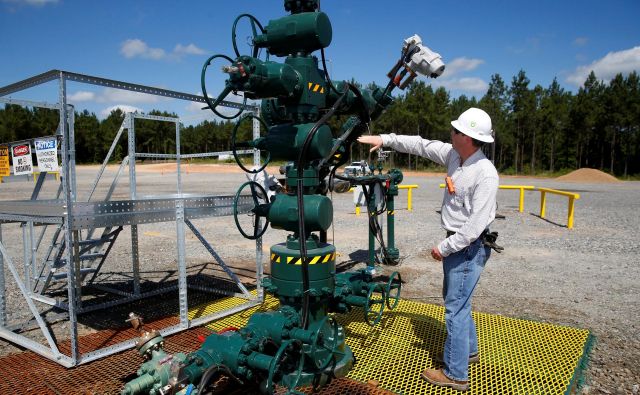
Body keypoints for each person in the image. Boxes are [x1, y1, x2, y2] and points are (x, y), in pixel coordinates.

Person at [357, 107, 499, 392]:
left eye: (457, 130)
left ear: (469, 137)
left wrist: (444, 248)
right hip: (460, 245)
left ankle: (455, 374)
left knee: (454, 310)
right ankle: (468, 352)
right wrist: (385, 139)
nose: (452, 132)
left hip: (466, 247)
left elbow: (473, 228)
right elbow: (421, 145)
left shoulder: (484, 173)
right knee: (460, 301)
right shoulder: (455, 156)